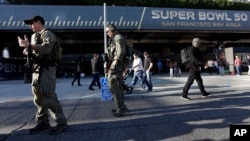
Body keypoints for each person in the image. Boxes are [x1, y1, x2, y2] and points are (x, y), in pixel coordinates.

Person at [17, 15, 68, 135]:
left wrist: (29, 46)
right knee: (38, 96)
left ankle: (61, 122)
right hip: (37, 68)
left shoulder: (48, 34)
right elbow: (34, 51)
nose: (31, 26)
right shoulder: (34, 36)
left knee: (48, 94)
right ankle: (43, 121)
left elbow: (46, 49)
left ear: (39, 22)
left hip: (47, 68)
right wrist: (27, 50)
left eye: (32, 23)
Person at [106, 24, 128, 117]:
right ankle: (121, 106)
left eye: (108, 31)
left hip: (116, 66)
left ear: (113, 30)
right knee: (117, 87)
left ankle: (121, 107)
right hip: (117, 65)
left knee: (113, 86)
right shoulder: (114, 39)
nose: (107, 33)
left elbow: (120, 52)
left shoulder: (118, 37)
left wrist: (114, 63)